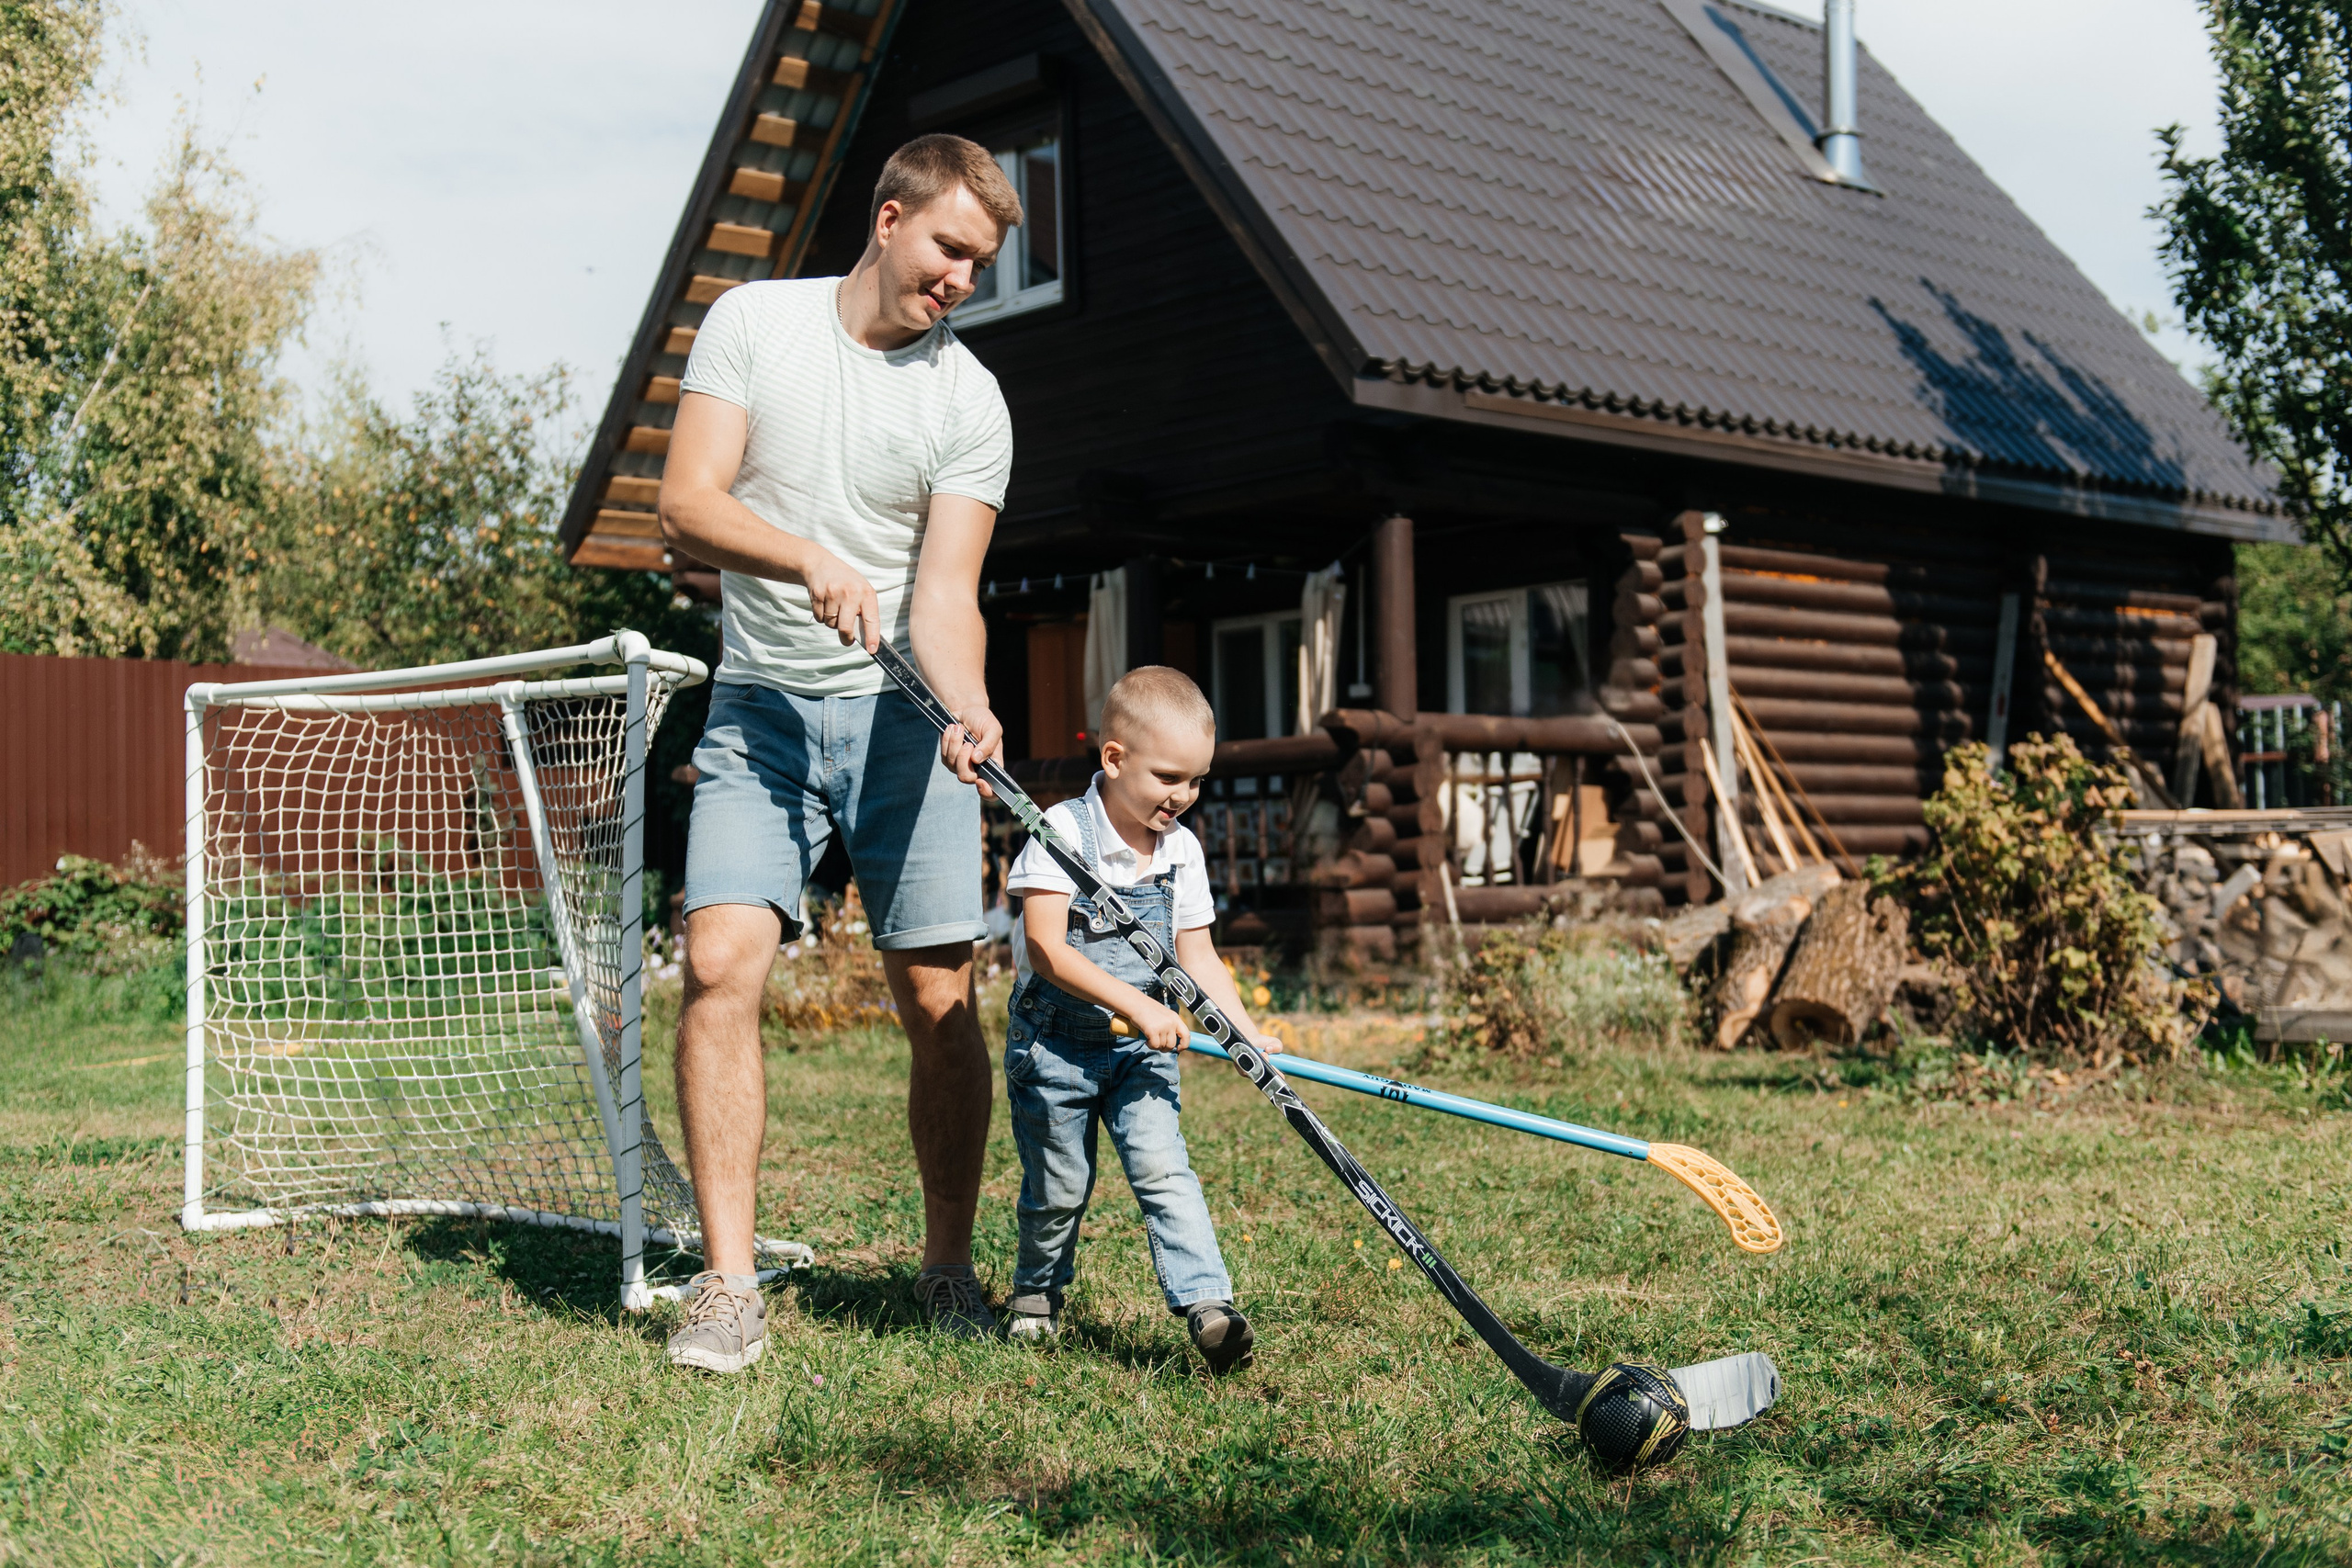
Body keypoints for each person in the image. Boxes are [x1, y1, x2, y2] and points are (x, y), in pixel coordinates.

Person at [655, 135, 1020, 1372]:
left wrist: (969, 704)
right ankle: (728, 1285)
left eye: (981, 264)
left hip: (904, 717)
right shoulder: (755, 325)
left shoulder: (969, 401)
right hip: (759, 704)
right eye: (949, 248)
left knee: (938, 999)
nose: (961, 278)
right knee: (720, 962)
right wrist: (805, 555)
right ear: (889, 217)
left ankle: (948, 1268)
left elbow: (947, 596)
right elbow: (686, 501)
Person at [999, 666, 1283, 1374]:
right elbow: (1047, 948)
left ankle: (1208, 1305)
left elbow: (1199, 954)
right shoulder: (1062, 830)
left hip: (1141, 1052)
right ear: (1115, 758)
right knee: (1059, 1186)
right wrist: (1137, 1005)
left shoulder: (1181, 849)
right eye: (1168, 777)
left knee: (1164, 1169)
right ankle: (1036, 1293)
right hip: (1056, 1045)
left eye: (1196, 781)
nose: (1182, 796)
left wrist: (1243, 1032)